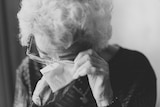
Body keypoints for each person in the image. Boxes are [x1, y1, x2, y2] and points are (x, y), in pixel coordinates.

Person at [13, 0, 157, 107]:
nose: (52, 65)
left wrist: (105, 99)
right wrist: (37, 104)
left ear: (93, 42)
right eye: (43, 54)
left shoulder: (136, 69)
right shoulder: (28, 71)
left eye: (66, 59)